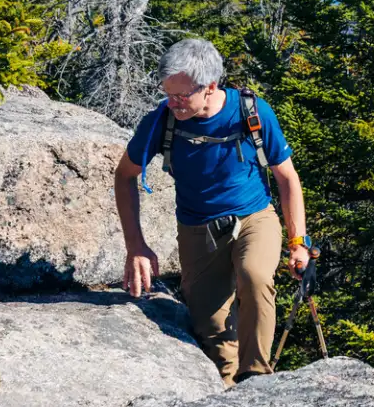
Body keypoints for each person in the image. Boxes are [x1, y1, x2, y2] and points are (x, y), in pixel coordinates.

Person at [114, 37, 310, 384]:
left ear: (210, 87)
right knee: (211, 327)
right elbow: (125, 176)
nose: (172, 103)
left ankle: (257, 378)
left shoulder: (252, 112)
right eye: (168, 94)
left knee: (255, 276)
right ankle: (227, 385)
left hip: (254, 217)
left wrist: (298, 241)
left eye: (181, 96)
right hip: (197, 228)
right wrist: (136, 246)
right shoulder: (162, 121)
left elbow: (287, 178)